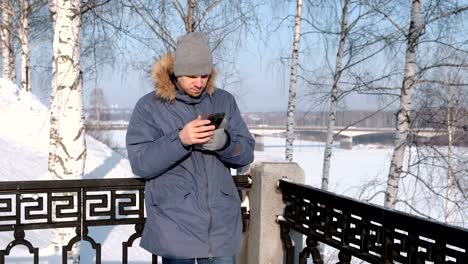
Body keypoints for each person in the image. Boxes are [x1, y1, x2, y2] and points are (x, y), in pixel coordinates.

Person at [126, 32, 255, 264]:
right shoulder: (149, 107)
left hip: (221, 226)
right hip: (174, 224)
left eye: (205, 75)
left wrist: (225, 143)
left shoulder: (224, 100)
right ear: (176, 72)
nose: (199, 82)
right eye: (192, 75)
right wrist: (181, 139)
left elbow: (245, 153)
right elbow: (141, 163)